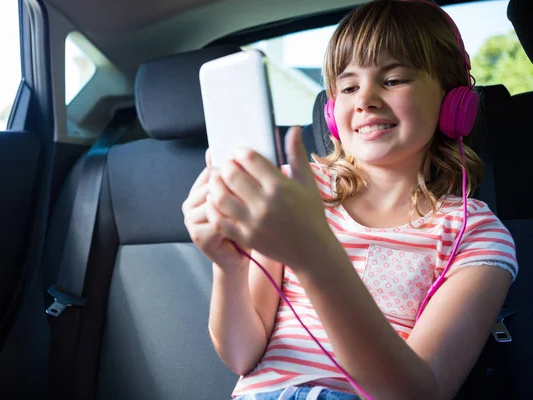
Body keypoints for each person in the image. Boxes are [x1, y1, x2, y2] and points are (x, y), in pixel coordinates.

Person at [182, 0, 518, 399]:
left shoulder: (475, 235)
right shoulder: (297, 193)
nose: (366, 99)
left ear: (453, 102)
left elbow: (418, 393)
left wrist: (315, 258)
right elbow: (241, 356)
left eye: (393, 80)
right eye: (348, 86)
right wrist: (229, 266)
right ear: (331, 111)